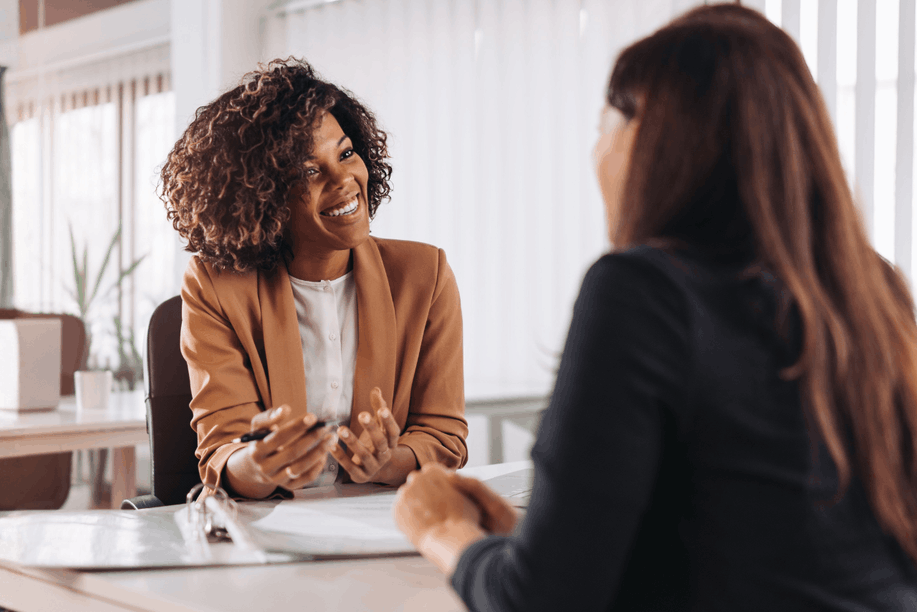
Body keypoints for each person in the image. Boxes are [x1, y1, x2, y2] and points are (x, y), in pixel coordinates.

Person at [392, 5, 917, 611]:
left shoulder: (643, 291)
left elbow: (538, 604)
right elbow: (767, 552)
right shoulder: (873, 293)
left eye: (603, 124)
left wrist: (441, 531)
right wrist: (537, 540)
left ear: (649, 137)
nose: (597, 151)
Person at [160, 58, 467, 500]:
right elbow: (222, 453)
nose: (344, 180)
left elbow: (444, 437)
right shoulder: (215, 286)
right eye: (309, 171)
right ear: (262, 195)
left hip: (383, 529)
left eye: (345, 154)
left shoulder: (424, 275)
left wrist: (387, 461)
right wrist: (263, 464)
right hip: (269, 532)